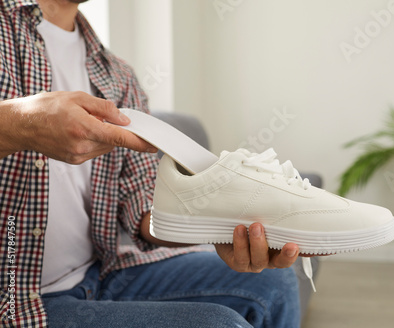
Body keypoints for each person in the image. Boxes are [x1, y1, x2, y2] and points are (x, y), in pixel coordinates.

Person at [0, 0, 301, 327]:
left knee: (275, 283)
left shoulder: (117, 75)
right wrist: (19, 126)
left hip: (99, 274)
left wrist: (219, 224)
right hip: (15, 298)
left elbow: (139, 209)